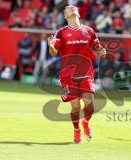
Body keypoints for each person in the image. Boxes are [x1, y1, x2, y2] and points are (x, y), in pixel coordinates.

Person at [47, 5, 106, 144]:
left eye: (73, 8)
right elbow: (53, 52)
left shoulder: (89, 31)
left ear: (78, 13)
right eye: (68, 9)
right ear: (66, 16)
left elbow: (97, 50)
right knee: (75, 107)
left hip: (86, 73)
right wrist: (51, 47)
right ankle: (77, 130)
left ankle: (85, 122)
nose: (71, 9)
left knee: (89, 102)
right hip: (67, 75)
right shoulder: (61, 33)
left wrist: (101, 52)